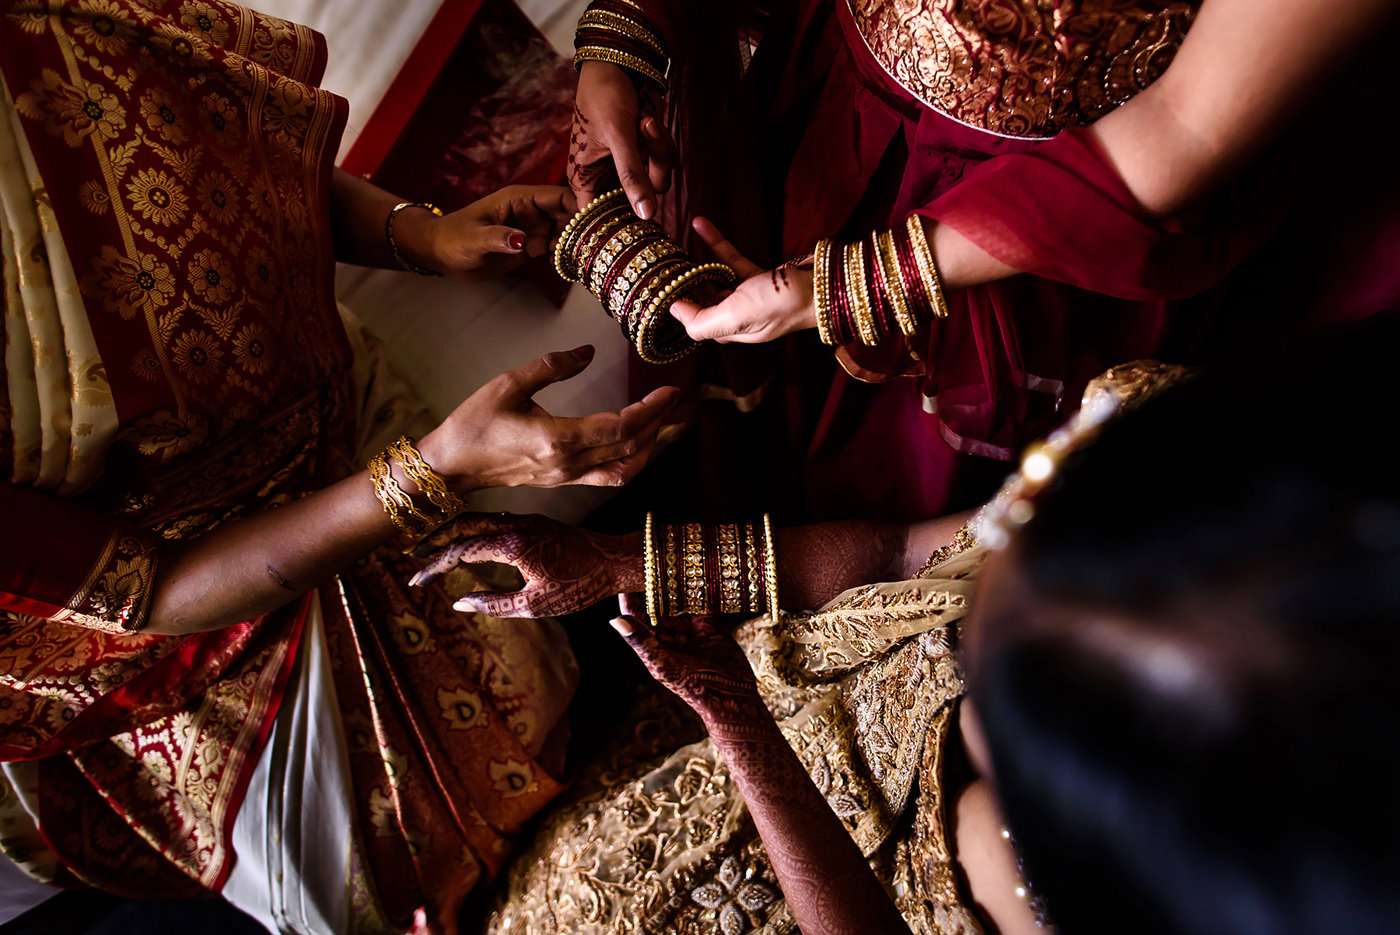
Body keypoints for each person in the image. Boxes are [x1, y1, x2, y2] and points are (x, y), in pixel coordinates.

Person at [0, 1, 676, 931]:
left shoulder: (24, 35)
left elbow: (219, 161)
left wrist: (421, 236)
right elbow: (148, 591)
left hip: (325, 385)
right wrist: (428, 470)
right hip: (200, 632)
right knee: (386, 886)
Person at [417, 319, 1400, 934]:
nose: (943, 642)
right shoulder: (1148, 471)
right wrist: (614, 567)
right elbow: (896, 558)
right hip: (680, 781)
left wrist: (743, 723)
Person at [566, 0, 1400, 523]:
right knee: (762, 418)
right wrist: (630, 30)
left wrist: (857, 282)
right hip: (831, 114)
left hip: (1037, 231)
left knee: (926, 504)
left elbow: (1186, 129)